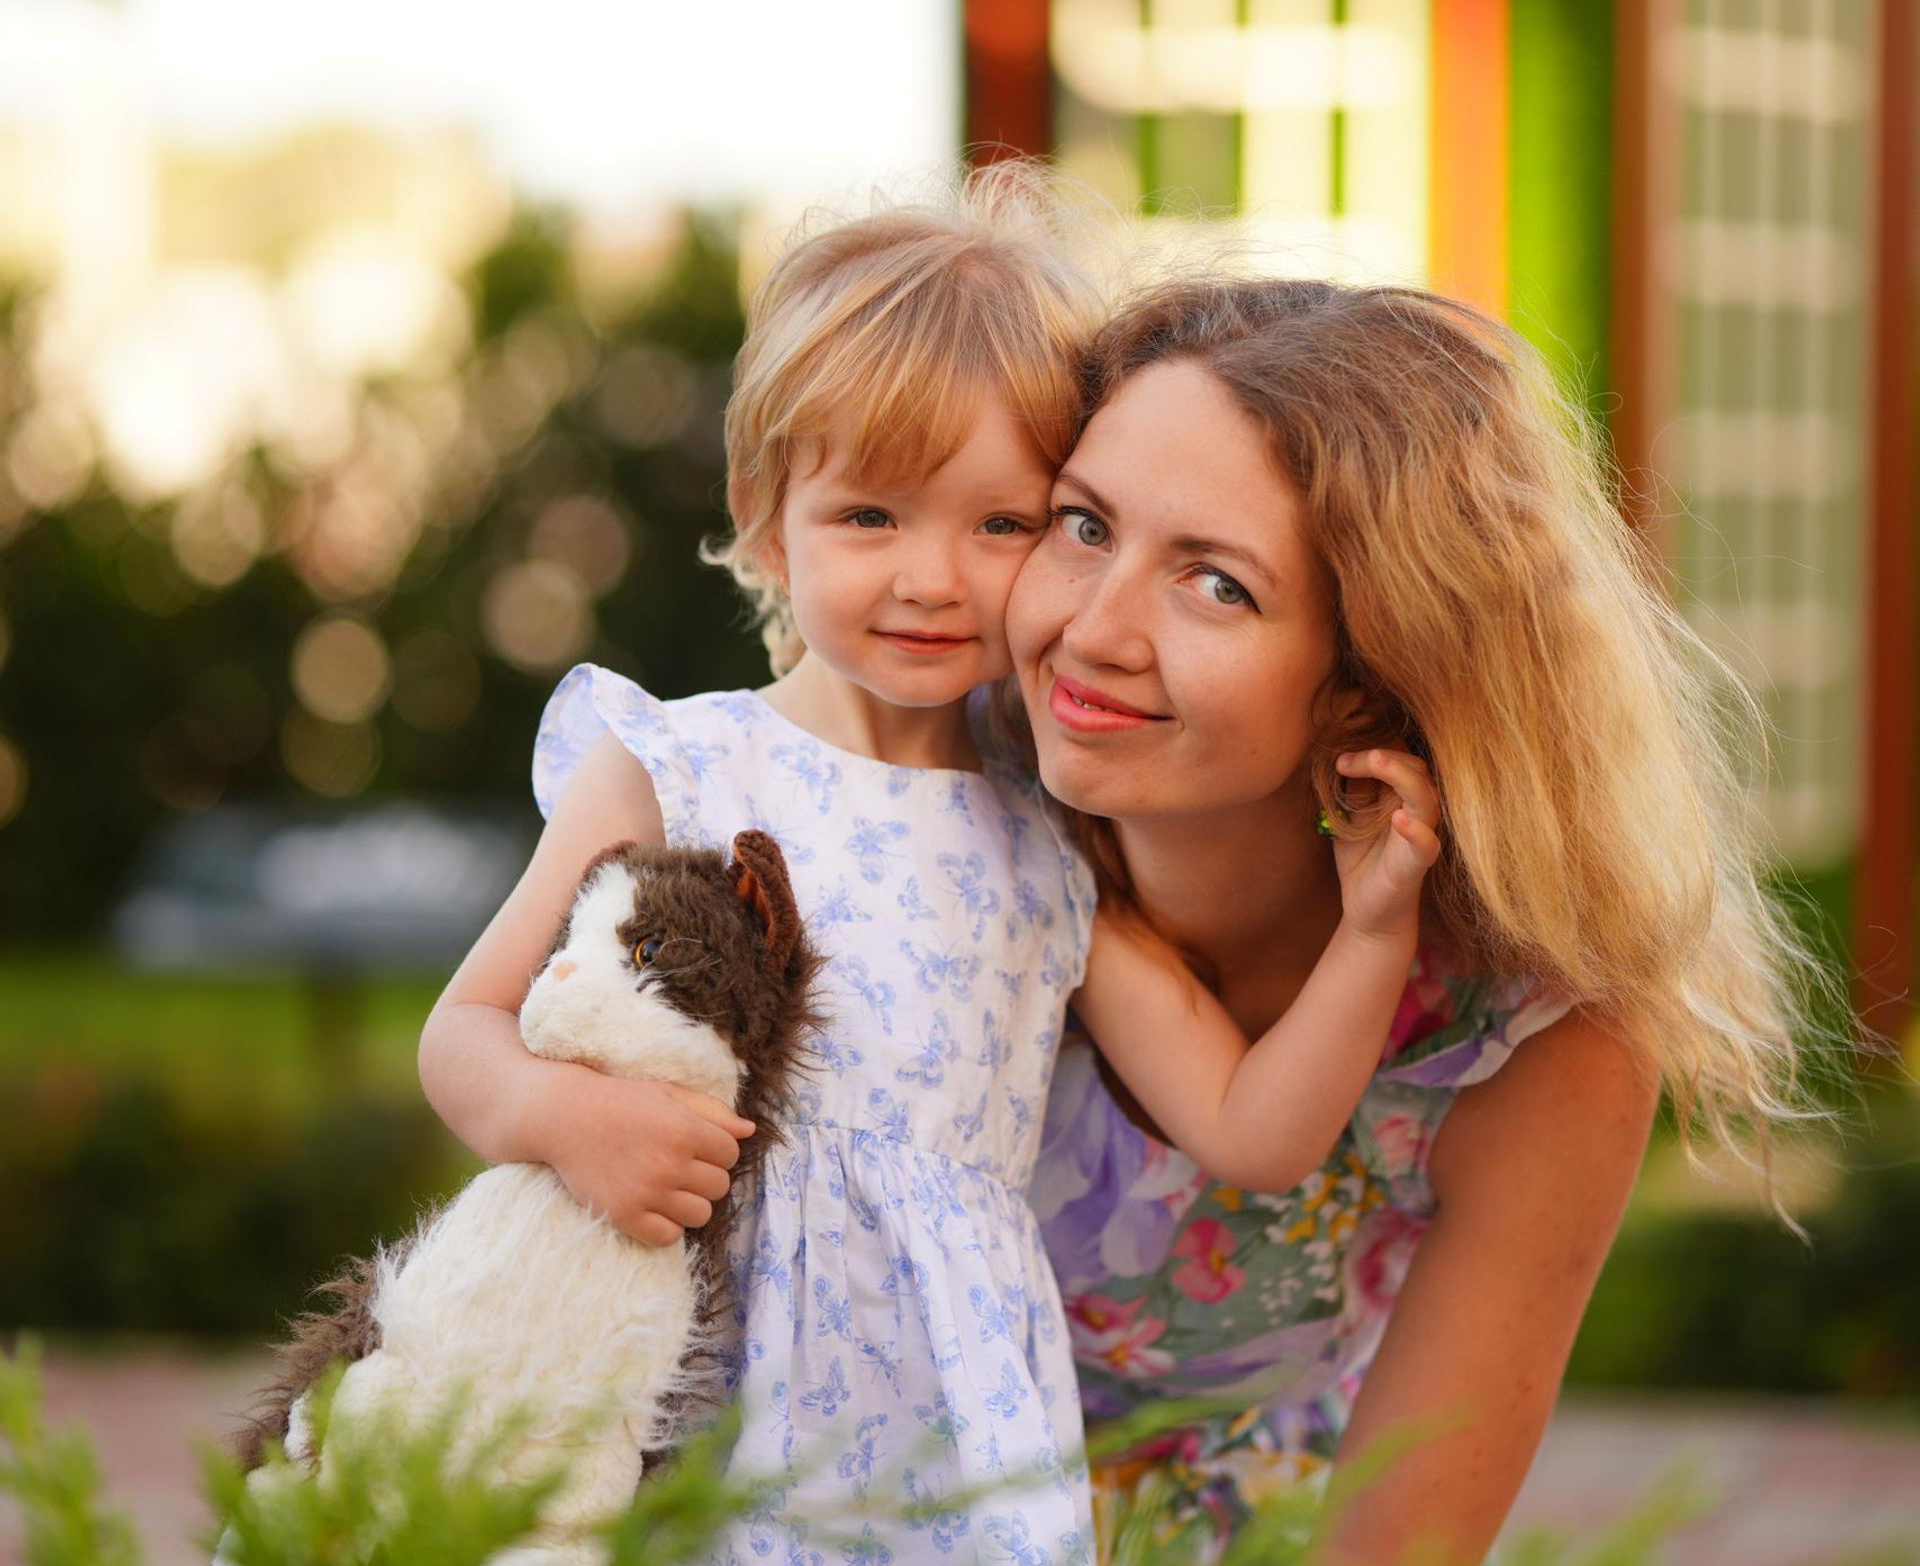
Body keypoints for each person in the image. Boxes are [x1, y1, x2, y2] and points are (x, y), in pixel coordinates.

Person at [414, 182, 1449, 1566]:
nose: (934, 579)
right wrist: (560, 1116)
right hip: (695, 1380)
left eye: (1003, 525)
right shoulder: (679, 772)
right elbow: (459, 1034)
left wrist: (1376, 926)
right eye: (871, 519)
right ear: (769, 517)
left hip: (945, 1438)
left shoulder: (1046, 842)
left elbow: (1255, 1129)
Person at [1006, 278, 1819, 1566]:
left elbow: (1401, 1546)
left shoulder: (1531, 1038)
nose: (1092, 632)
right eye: (1083, 525)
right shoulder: (916, 827)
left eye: (1215, 585)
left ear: (1373, 682)